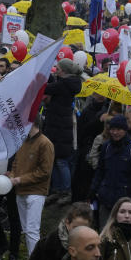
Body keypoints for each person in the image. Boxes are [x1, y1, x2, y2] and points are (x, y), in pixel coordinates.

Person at [91, 116, 131, 228]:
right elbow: (100, 171)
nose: (115, 132)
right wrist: (93, 190)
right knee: (104, 234)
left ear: (125, 130)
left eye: (119, 129)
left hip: (124, 203)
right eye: (112, 129)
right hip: (105, 200)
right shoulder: (106, 147)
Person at [8, 120, 55, 255]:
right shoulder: (23, 141)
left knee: (32, 230)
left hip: (36, 192)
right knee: (27, 230)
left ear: (32, 123)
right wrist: (12, 175)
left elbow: (45, 172)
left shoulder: (45, 143)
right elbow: (16, 163)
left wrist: (19, 179)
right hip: (20, 190)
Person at [43, 59, 84, 204]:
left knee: (60, 161)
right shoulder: (68, 83)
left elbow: (46, 88)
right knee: (55, 160)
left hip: (59, 127)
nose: (56, 70)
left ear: (64, 71)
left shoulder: (64, 84)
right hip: (58, 125)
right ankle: (58, 190)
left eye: (58, 69)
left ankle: (65, 191)